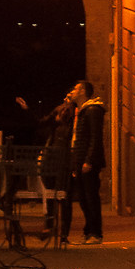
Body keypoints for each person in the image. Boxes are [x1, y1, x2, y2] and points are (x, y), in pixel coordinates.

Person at [32, 86, 81, 244]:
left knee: (63, 196)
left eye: (69, 97)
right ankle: (51, 227)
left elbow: (74, 139)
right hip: (52, 157)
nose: (67, 98)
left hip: (62, 159)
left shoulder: (76, 117)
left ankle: (62, 232)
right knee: (53, 195)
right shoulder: (57, 117)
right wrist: (27, 110)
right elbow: (41, 123)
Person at [66, 78, 108, 245]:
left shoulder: (92, 110)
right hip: (80, 160)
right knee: (83, 198)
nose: (73, 91)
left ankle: (95, 233)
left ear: (83, 91)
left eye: (76, 89)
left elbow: (95, 138)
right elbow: (78, 138)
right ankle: (88, 230)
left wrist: (89, 161)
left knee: (91, 197)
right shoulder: (82, 110)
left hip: (88, 161)